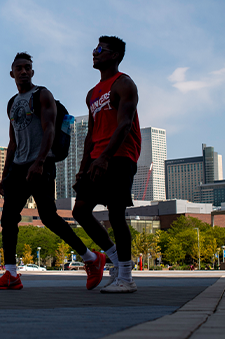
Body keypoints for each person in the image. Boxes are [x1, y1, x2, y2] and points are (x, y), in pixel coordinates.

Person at [0, 52, 106, 291]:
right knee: (8, 218)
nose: (23, 71)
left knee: (49, 218)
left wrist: (40, 161)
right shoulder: (12, 103)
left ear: (32, 72)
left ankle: (92, 258)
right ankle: (11, 273)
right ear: (12, 73)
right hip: (18, 167)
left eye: (27, 68)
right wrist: (4, 174)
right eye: (19, 68)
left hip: (40, 166)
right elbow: (12, 141)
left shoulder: (43, 95)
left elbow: (49, 129)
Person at [71, 36, 141, 294]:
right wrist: (84, 165)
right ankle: (113, 259)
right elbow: (90, 133)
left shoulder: (124, 84)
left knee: (115, 213)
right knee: (80, 211)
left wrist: (105, 158)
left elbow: (124, 124)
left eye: (101, 49)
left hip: (120, 155)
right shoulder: (92, 93)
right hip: (96, 157)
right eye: (95, 48)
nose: (95, 52)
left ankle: (126, 277)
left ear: (114, 56)